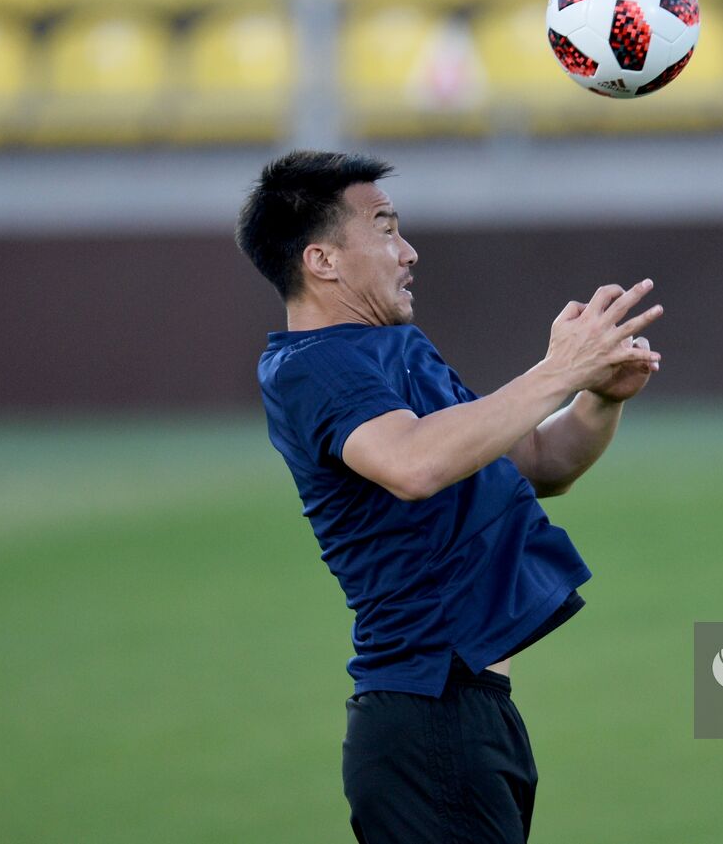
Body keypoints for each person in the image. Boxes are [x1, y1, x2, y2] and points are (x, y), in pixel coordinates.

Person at [234, 150, 662, 843]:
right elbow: (413, 463)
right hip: (425, 711)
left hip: (471, 712)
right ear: (322, 260)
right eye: (384, 228)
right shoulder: (312, 367)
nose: (408, 250)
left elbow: (538, 462)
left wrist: (596, 400)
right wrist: (557, 370)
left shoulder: (397, 349)